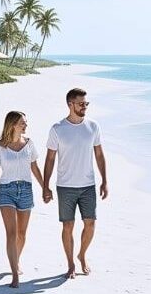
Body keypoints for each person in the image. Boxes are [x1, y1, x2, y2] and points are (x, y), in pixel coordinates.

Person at [42, 88, 109, 279]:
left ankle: (82, 255)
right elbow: (49, 159)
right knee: (67, 226)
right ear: (70, 104)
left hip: (88, 185)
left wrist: (104, 180)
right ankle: (71, 263)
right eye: (81, 104)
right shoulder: (58, 129)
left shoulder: (93, 127)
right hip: (65, 186)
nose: (84, 107)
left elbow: (99, 154)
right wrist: (45, 186)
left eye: (86, 104)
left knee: (90, 224)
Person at [0, 111, 44, 288]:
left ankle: (16, 260)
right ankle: (15, 274)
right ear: (13, 125)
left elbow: (34, 167)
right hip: (6, 191)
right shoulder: (0, 146)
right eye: (22, 123)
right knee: (11, 233)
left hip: (26, 189)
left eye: (26, 122)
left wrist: (44, 187)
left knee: (21, 234)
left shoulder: (30, 144)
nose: (26, 125)